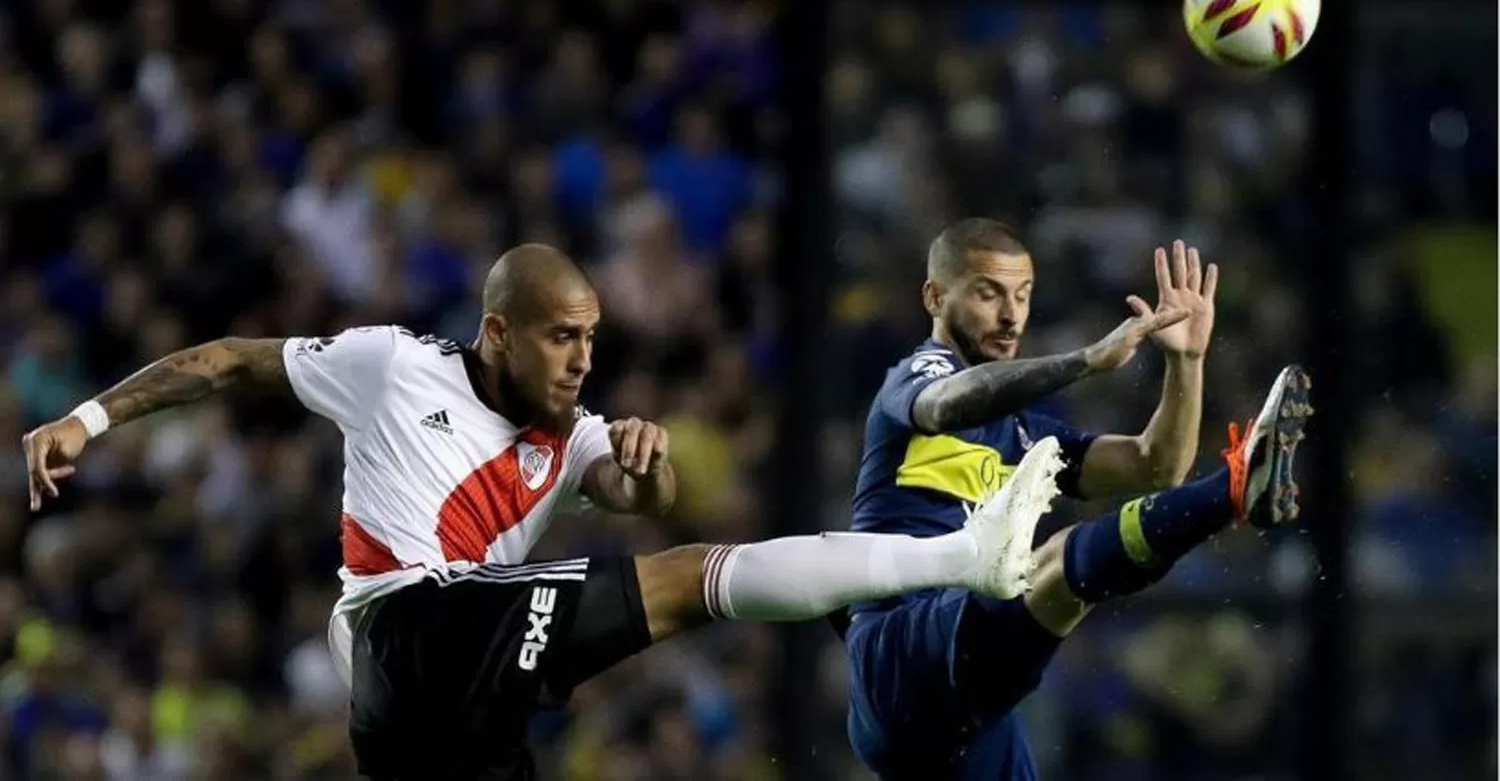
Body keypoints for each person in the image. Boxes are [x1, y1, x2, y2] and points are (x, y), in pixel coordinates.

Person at [24, 244, 1069, 781]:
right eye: (562, 336)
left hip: (433, 724)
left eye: (593, 337)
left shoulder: (575, 439)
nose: (583, 358)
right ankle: (964, 559)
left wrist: (653, 469)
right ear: (497, 332)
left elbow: (644, 501)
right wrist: (88, 418)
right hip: (404, 628)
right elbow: (225, 362)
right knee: (697, 583)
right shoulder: (390, 367)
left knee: (681, 566)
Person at [838, 219, 1312, 780]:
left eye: (1023, 295)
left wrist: (1185, 363)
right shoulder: (916, 377)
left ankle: (1232, 489)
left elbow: (1154, 464)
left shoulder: (1027, 439)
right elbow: (949, 404)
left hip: (971, 705)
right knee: (1059, 568)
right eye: (988, 293)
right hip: (900, 652)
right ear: (935, 297)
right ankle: (1231, 491)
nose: (1011, 315)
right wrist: (1088, 359)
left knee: (1054, 578)